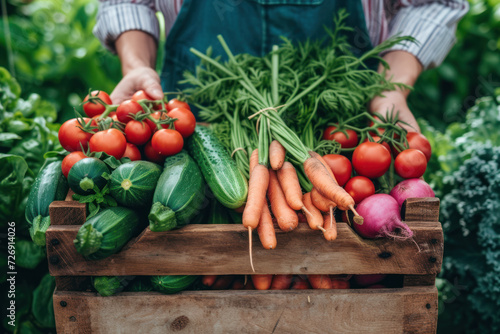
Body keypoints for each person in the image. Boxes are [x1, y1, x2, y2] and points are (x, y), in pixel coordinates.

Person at [94, 0, 468, 132]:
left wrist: (390, 89)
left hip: (345, 132)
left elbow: (430, 3)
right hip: (186, 130)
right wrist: (136, 66)